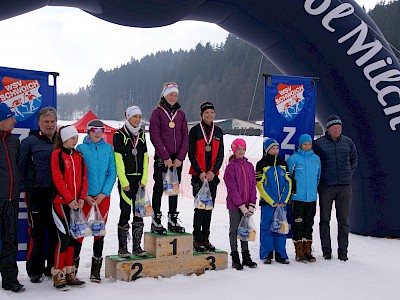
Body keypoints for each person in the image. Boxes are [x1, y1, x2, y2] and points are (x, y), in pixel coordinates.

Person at [73, 119, 116, 282]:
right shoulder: (81, 149)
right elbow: (79, 174)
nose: (98, 134)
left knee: (98, 232)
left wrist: (104, 193)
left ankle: (95, 270)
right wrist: (84, 196)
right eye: (95, 130)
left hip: (102, 199)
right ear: (89, 132)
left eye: (101, 131)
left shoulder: (108, 149)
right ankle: (73, 269)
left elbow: (112, 173)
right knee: (79, 233)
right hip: (85, 199)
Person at [19, 106, 58, 283]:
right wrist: (30, 184)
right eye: (46, 122)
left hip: (56, 194)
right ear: (39, 123)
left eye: (52, 121)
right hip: (36, 194)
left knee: (54, 232)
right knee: (36, 232)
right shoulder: (30, 141)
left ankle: (51, 267)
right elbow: (20, 166)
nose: (50, 125)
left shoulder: (60, 140)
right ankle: (34, 270)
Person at [313, 115, 358, 261]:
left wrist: (347, 174)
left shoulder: (348, 142)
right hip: (326, 186)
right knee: (325, 219)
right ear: (328, 129)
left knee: (343, 221)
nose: (337, 130)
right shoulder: (319, 144)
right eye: (335, 128)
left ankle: (343, 252)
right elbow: (314, 162)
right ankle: (326, 251)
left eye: (339, 128)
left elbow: (354, 160)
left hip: (344, 186)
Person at [149, 82, 188, 234]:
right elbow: (155, 136)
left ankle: (172, 220)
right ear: (165, 95)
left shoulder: (181, 115)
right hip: (162, 158)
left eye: (175, 95)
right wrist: (164, 156)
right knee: (158, 188)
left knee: (174, 190)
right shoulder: (157, 113)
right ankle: (156, 220)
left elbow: (185, 137)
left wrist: (180, 157)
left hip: (177, 160)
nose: (173, 97)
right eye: (171, 94)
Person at [51, 125, 86, 290]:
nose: (75, 140)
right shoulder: (57, 154)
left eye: (77, 138)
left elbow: (84, 178)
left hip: (75, 204)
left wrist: (80, 198)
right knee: (63, 238)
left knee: (73, 238)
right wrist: (69, 198)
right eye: (73, 138)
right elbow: (57, 179)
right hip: (60, 203)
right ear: (64, 138)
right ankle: (58, 273)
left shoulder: (79, 155)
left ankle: (70, 271)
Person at [113, 106, 148, 257]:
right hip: (126, 180)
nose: (138, 119)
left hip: (139, 180)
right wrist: (123, 180)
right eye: (135, 117)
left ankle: (137, 246)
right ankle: (122, 248)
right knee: (125, 212)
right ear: (128, 117)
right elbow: (118, 159)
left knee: (139, 212)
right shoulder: (119, 134)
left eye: (139, 117)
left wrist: (144, 178)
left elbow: (145, 156)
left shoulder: (141, 134)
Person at [189, 102, 224, 252]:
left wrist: (213, 171)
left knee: (209, 208)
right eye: (207, 113)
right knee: (200, 208)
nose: (209, 115)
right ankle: (196, 238)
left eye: (212, 112)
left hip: (212, 177)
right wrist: (200, 172)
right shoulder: (195, 130)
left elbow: (220, 154)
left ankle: (206, 238)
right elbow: (191, 153)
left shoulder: (218, 131)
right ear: (201, 114)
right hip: (199, 176)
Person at [0, 102, 25, 293]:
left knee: (11, 240)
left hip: (12, 199)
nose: (14, 121)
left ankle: (10, 280)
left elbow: (18, 168)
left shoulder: (14, 141)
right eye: (10, 117)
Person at [256, 137, 291, 264]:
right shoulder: (261, 164)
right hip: (268, 203)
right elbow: (260, 184)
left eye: (277, 148)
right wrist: (272, 201)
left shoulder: (283, 164)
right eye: (272, 148)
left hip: (282, 204)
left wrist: (284, 200)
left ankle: (281, 253)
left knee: (280, 227)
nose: (275, 151)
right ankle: (267, 253)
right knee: (266, 227)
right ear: (267, 150)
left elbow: (288, 182)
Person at [224, 138, 257, 270]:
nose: (241, 151)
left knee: (245, 230)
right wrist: (241, 206)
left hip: (247, 205)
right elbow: (232, 188)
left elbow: (253, 186)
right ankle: (235, 256)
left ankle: (246, 256)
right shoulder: (231, 167)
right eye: (238, 149)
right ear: (234, 150)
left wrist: (252, 203)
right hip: (235, 205)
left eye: (243, 149)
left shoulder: (249, 166)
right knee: (234, 230)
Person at [287, 134, 321, 262]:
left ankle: (308, 250)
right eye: (305, 144)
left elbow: (318, 177)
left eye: (309, 144)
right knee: (298, 224)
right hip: (298, 198)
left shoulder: (316, 159)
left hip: (311, 198)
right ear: (300, 145)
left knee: (309, 224)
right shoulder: (294, 159)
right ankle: (299, 251)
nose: (307, 146)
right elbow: (289, 178)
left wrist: (313, 190)